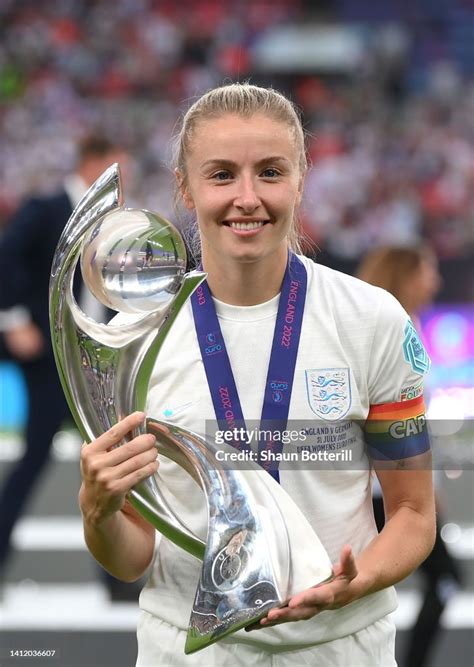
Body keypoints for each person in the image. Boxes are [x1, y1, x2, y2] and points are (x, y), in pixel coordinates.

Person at [78, 84, 436, 666]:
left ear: (301, 179)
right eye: (221, 175)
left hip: (339, 646)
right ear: (184, 188)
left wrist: (357, 580)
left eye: (270, 172)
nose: (247, 198)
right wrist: (98, 514)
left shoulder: (371, 319)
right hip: (188, 650)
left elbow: (414, 514)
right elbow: (133, 555)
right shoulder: (135, 339)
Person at [0, 136, 130, 593]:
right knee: (36, 462)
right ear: (94, 164)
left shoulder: (116, 222)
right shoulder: (48, 207)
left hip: (95, 363)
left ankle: (118, 577)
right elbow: (5, 257)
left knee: (111, 468)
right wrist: (13, 318)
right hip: (52, 362)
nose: (123, 182)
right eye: (117, 170)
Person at [358, 245, 462, 667]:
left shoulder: (402, 327)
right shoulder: (383, 332)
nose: (435, 281)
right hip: (383, 494)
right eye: (428, 270)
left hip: (392, 489)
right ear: (406, 275)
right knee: (443, 581)